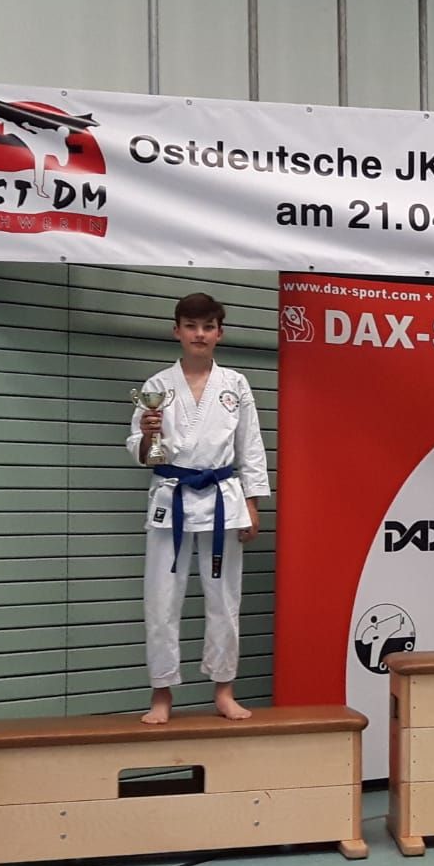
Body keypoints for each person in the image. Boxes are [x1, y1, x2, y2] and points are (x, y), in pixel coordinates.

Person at [129, 292, 269, 723]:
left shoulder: (235, 384)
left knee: (225, 599)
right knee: (161, 600)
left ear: (219, 333)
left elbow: (250, 447)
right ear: (177, 331)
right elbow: (141, 451)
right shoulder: (156, 386)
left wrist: (252, 503)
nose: (199, 334)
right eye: (191, 326)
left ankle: (224, 690)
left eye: (208, 326)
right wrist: (149, 435)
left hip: (223, 498)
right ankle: (161, 694)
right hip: (171, 496)